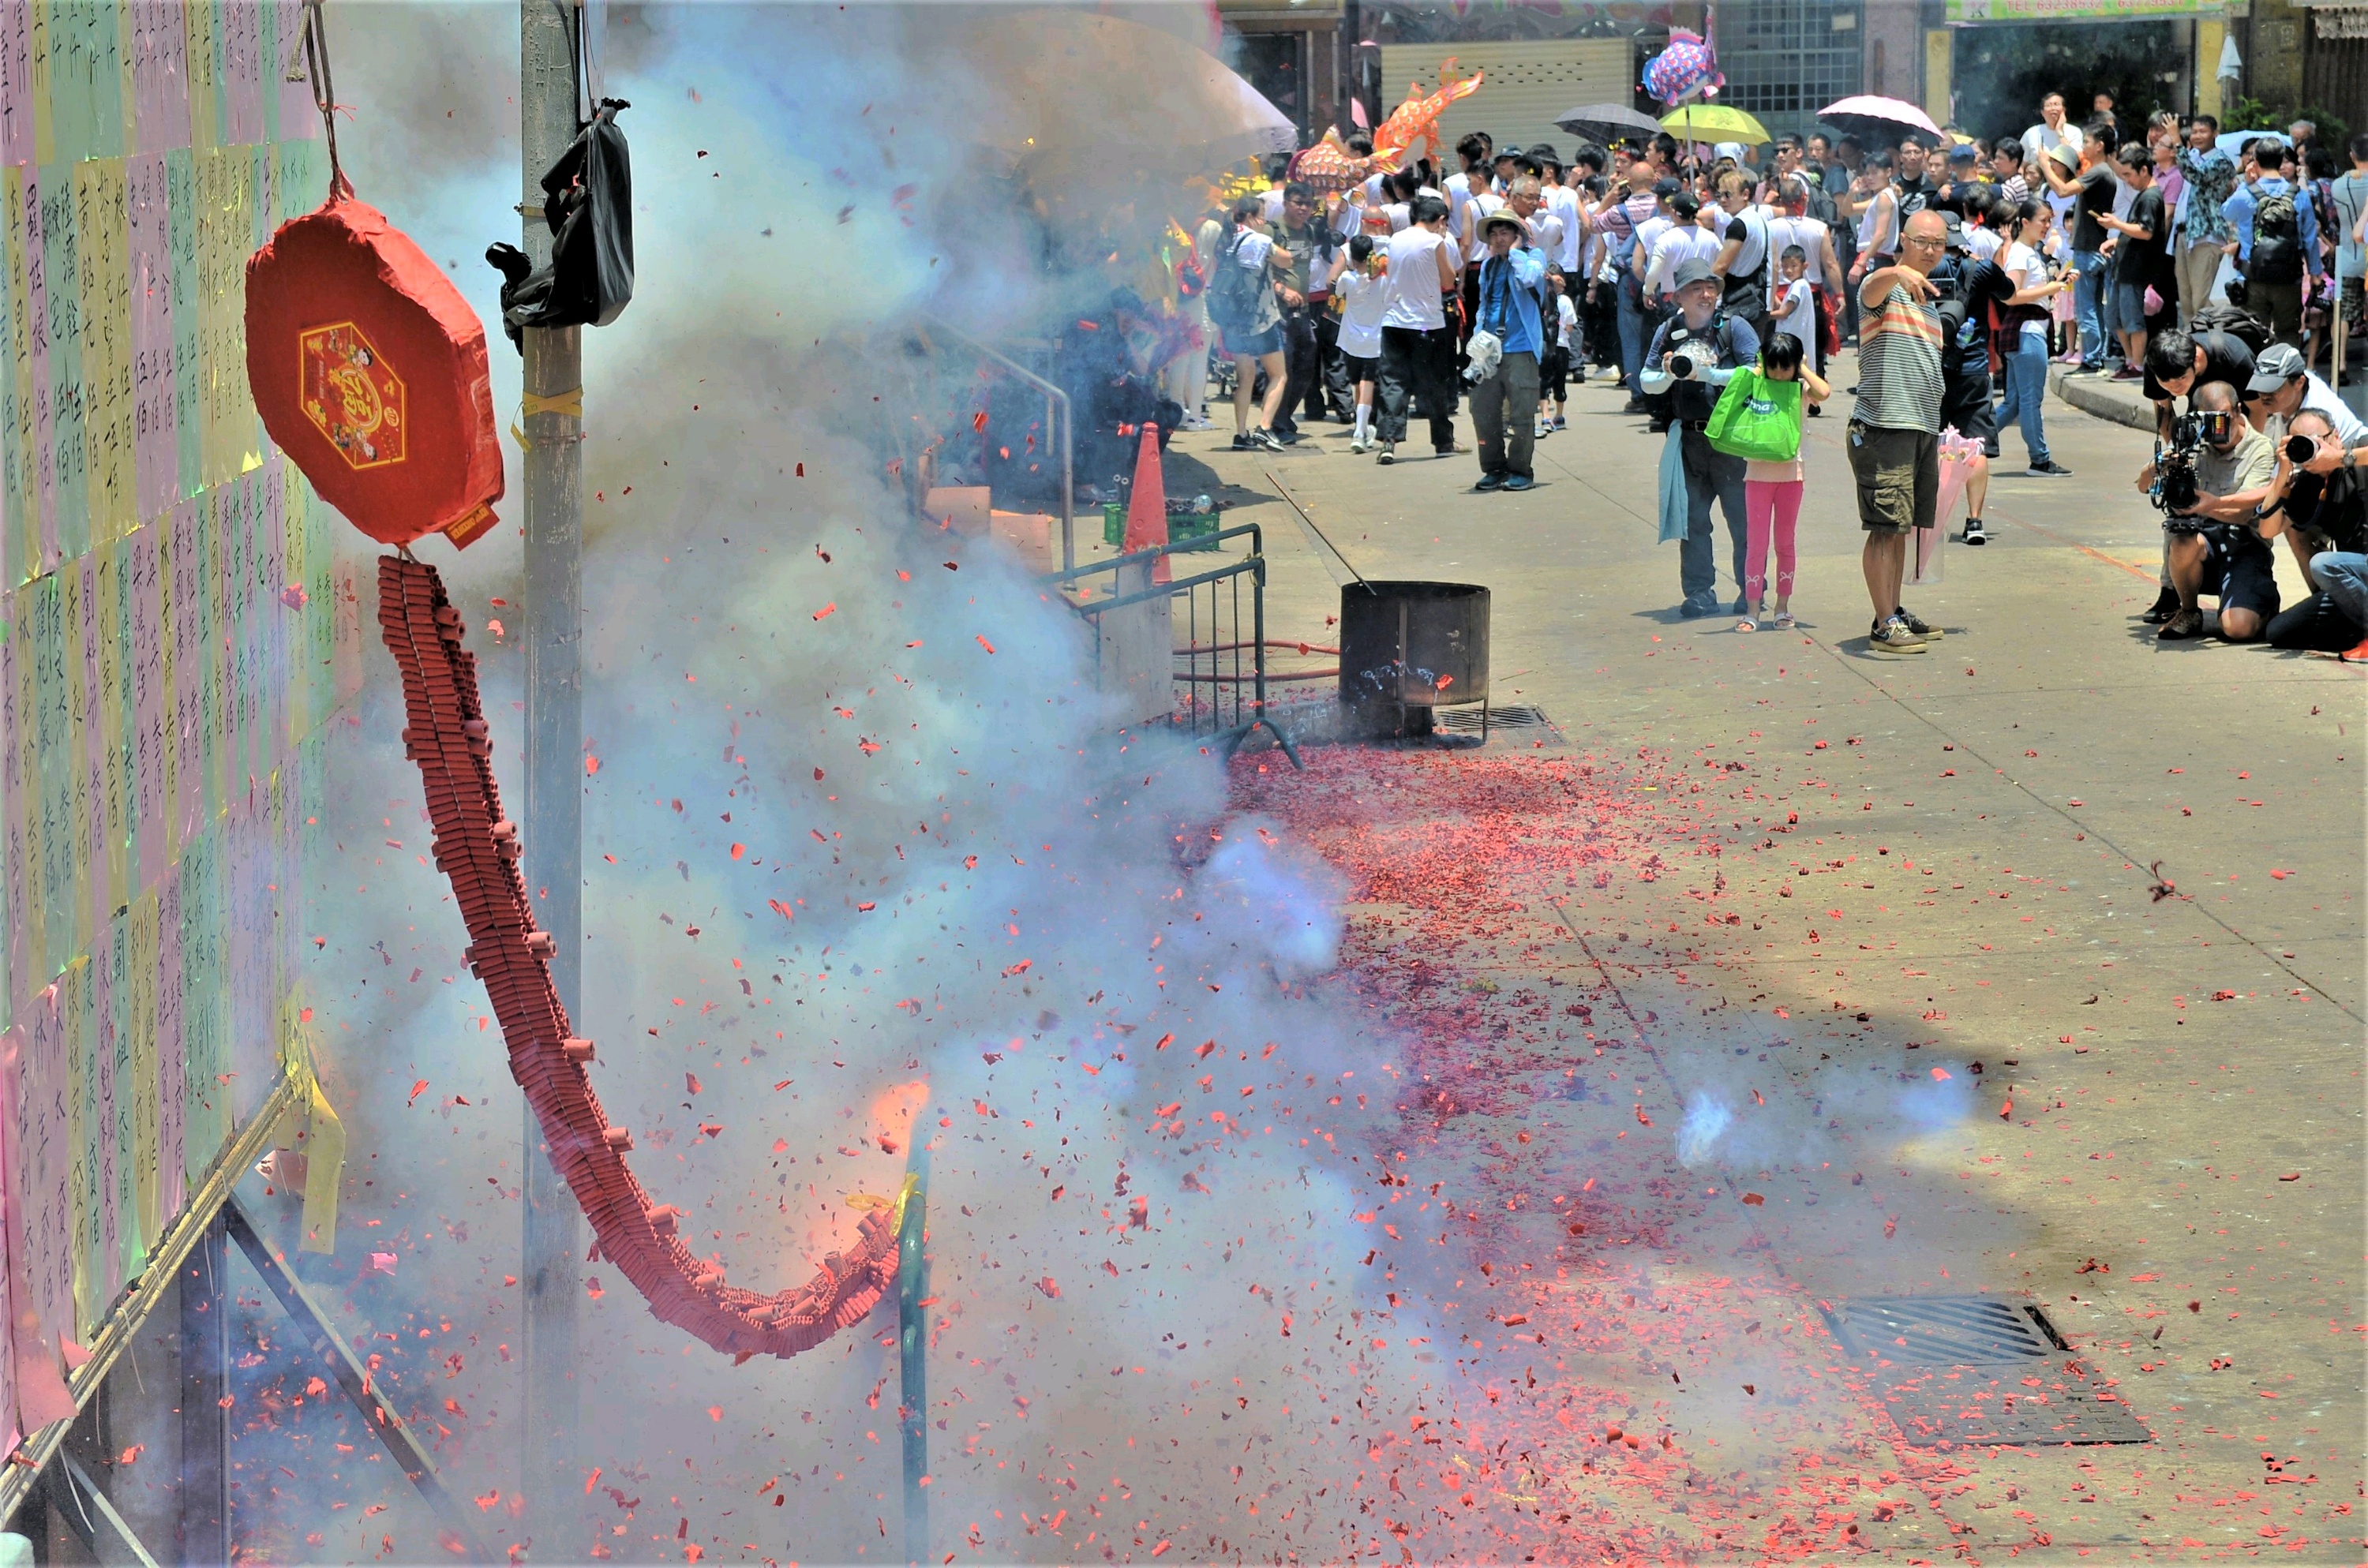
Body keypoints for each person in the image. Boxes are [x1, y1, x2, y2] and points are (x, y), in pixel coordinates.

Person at [1849, 210, 1951, 655]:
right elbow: (1866, 290)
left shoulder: (1930, 308)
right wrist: (1894, 271)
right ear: (1903, 241)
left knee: (1900, 526)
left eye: (1939, 244)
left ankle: (1891, 609)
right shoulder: (1887, 289)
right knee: (1885, 526)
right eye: (1922, 241)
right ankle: (1884, 623)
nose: (1930, 251)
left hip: (1920, 427)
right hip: (1885, 425)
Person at [1643, 258, 1759, 618]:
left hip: (1731, 439)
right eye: (1696, 288)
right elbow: (1646, 380)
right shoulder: (1668, 330)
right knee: (1692, 523)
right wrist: (1669, 376)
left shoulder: (1734, 327)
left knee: (1743, 521)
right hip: (1689, 440)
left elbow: (1758, 372)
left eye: (1710, 287)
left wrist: (1709, 375)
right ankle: (1699, 593)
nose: (1706, 294)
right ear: (1679, 295)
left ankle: (1751, 589)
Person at [2150, 381, 2280, 640]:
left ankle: (2262, 604)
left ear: (2238, 411)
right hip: (2205, 543)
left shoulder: (2261, 448)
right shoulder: (2194, 443)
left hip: (2244, 546)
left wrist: (2210, 505)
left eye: (2224, 419)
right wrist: (2160, 468)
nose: (2218, 429)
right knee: (2182, 542)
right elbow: (2146, 485)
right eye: (2210, 421)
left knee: (2237, 629)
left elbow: (2244, 513)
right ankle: (2189, 611)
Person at [1737, 331, 1829, 632]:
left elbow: (1824, 392)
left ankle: (1782, 607)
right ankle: (1752, 610)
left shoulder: (1801, 391)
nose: (1778, 374)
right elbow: (1737, 386)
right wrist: (1760, 366)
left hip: (1792, 476)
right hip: (1757, 476)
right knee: (1757, 544)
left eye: (1784, 367)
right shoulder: (1756, 385)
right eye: (1773, 366)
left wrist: (1802, 368)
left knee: (1785, 543)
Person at [2257, 410, 2368, 653]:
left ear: (2336, 436)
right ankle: (2358, 632)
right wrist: (2282, 474)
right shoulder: (2308, 484)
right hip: (2357, 582)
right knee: (2279, 631)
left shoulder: (2359, 453)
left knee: (2324, 564)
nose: (2315, 449)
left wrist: (2340, 458)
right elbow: (2268, 529)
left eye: (2319, 439)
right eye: (2304, 442)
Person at [1372, 194, 1461, 465]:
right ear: (1441, 220)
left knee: (1393, 382)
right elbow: (1448, 281)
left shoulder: (1395, 239)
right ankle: (1443, 441)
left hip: (1394, 320)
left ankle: (1388, 440)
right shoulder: (1436, 241)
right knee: (1433, 382)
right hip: (1426, 322)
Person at [1467, 209, 1549, 492]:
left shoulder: (1533, 257)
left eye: (1505, 233)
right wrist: (1477, 340)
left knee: (1522, 416)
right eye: (1494, 234)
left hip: (1521, 347)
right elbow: (1484, 306)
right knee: (1483, 411)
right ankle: (1493, 468)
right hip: (1489, 350)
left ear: (1517, 236)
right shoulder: (1489, 266)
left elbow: (1528, 279)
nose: (1498, 239)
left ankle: (1520, 470)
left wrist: (1516, 252)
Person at [1994, 199, 2074, 485]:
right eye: (2043, 220)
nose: (2048, 225)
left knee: (2015, 401)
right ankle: (2039, 459)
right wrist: (2053, 286)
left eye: (2050, 220)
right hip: (2027, 333)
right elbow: (2010, 295)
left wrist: (2057, 282)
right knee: (2029, 401)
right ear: (2025, 222)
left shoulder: (2026, 252)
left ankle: (1972, 443)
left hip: (2026, 332)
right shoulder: (2020, 253)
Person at [1211, 195, 1290, 451]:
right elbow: (1286, 259)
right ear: (1251, 217)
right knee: (1279, 375)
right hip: (1260, 320)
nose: (1264, 221)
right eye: (1262, 217)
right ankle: (1264, 428)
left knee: (1245, 377)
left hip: (1234, 320)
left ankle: (1241, 433)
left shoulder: (1226, 240)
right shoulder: (1257, 240)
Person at [2225, 141, 2321, 349]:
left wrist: (2246, 183)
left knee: (2253, 334)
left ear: (2255, 162)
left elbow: (2225, 213)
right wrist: (2314, 272)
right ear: (2281, 161)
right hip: (2289, 277)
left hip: (2253, 277)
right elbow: (2310, 238)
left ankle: (2256, 378)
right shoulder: (2299, 195)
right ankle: (2288, 378)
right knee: (2288, 333)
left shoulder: (2245, 194)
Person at [2040, 122, 2119, 372]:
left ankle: (2092, 359)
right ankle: (2095, 355)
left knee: (2087, 309)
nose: (2083, 146)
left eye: (2087, 142)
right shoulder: (2100, 171)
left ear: (2100, 146)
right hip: (2095, 248)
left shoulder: (2099, 172)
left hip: (2089, 249)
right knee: (2094, 307)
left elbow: (2063, 190)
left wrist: (2044, 164)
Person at [2096, 143, 2172, 381]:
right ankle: (2130, 360)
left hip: (2136, 270)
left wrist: (2116, 226)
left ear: (2144, 171)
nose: (2126, 180)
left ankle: (2137, 364)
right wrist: (2117, 241)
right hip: (2124, 267)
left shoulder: (2151, 196)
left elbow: (2146, 231)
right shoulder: (2144, 194)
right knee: (2114, 317)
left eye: (2129, 174)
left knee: (2132, 319)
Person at [1268, 182, 1336, 443]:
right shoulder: (1272, 230)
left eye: (1308, 203)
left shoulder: (1309, 230)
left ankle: (1284, 417)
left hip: (1304, 311)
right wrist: (1280, 289)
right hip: (1278, 311)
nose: (1304, 208)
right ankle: (1276, 422)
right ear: (1286, 202)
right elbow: (1258, 268)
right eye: (1299, 202)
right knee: (1282, 368)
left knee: (1306, 367)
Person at [2171, 117, 2236, 328]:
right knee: (2186, 300)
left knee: (2203, 300)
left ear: (2215, 133)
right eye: (2194, 131)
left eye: (2203, 131)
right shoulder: (2191, 156)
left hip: (2206, 237)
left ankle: (2208, 351)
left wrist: (2176, 142)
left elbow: (2196, 176)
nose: (2197, 136)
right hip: (2184, 235)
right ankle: (2191, 348)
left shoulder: (2221, 161)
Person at [2245, 341, 2368, 449]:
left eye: (2273, 388)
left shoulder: (2313, 419)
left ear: (2299, 383)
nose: (2265, 396)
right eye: (2260, 387)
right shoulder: (2295, 389)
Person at [1329, 234, 1388, 452]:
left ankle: (1361, 427)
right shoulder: (1383, 280)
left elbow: (1337, 293)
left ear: (1352, 258)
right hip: (1374, 340)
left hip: (1351, 339)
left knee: (1358, 384)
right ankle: (1361, 429)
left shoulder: (1346, 278)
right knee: (1367, 383)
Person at [1710, 169, 1773, 331]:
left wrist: (1706, 290)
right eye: (1719, 195)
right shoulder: (1759, 219)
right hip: (1757, 299)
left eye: (1728, 195)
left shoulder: (1739, 224)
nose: (1722, 200)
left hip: (1738, 301)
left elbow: (1721, 266)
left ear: (1745, 194)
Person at [2335, 133, 2368, 373]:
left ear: (2352, 156)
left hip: (2346, 256)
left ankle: (2341, 364)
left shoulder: (2339, 185)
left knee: (2343, 312)